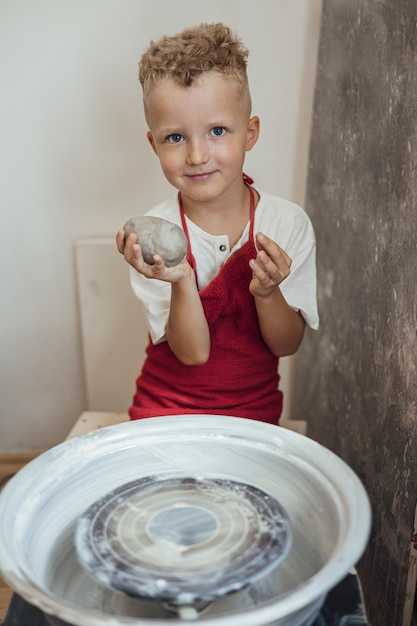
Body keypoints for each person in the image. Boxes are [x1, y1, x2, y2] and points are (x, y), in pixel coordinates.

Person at [116, 22, 319, 425]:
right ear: (153, 144)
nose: (196, 155)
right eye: (175, 138)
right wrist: (179, 280)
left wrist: (267, 292)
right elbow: (193, 354)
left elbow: (286, 345)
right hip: (166, 405)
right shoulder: (154, 233)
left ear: (250, 133)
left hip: (252, 411)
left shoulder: (285, 224)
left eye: (217, 131)